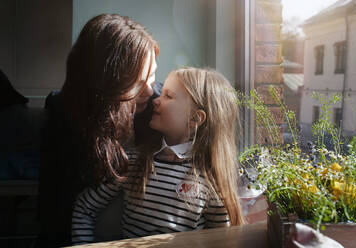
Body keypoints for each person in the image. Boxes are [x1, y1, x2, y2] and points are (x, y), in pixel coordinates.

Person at [71, 67, 245, 245]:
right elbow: (85, 207)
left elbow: (223, 241)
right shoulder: (134, 162)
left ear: (195, 118)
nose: (155, 100)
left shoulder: (211, 178)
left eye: (168, 96)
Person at [38, 14, 159, 247]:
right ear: (105, 83)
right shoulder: (65, 115)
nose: (149, 90)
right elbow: (54, 209)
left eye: (152, 75)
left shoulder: (158, 106)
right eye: (136, 81)